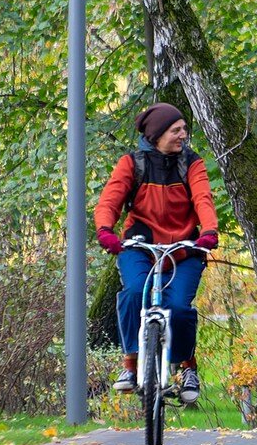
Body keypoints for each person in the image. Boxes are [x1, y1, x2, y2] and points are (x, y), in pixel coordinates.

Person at [94, 102, 219, 404]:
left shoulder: (192, 163)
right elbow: (109, 200)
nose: (183, 135)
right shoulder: (132, 163)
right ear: (158, 134)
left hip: (184, 249)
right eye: (176, 130)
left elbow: (203, 197)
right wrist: (105, 231)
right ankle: (130, 364)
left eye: (184, 130)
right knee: (134, 292)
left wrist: (208, 231)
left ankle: (187, 367)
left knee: (177, 306)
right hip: (141, 245)